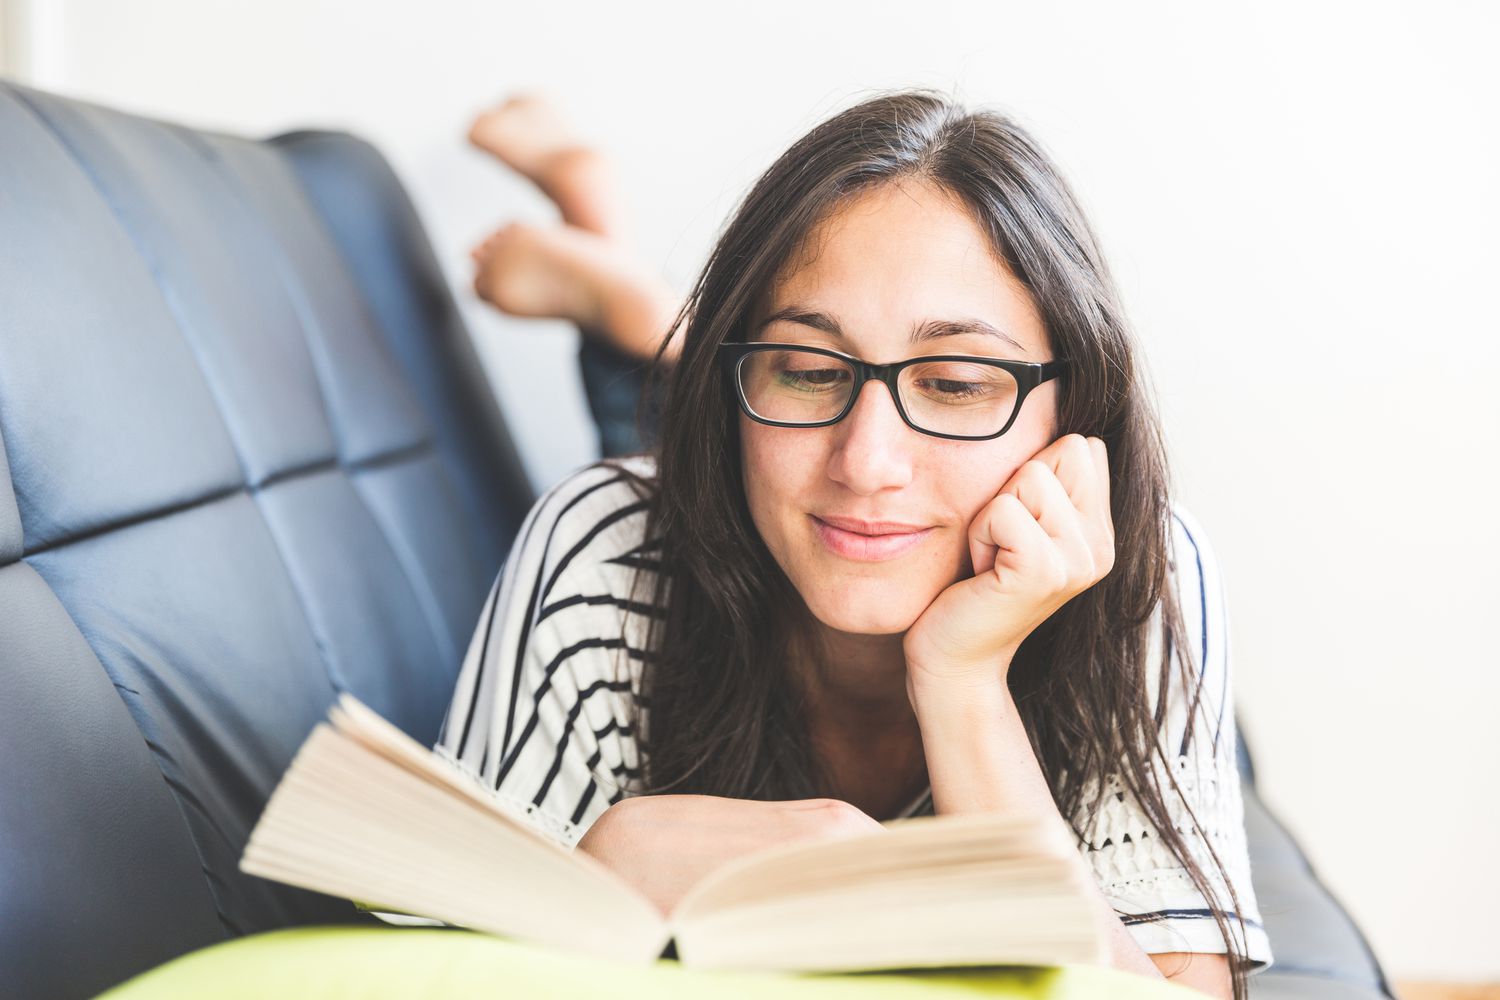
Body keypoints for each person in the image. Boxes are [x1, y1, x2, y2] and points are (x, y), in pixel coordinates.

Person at [445, 90, 1274, 999]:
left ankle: (629, 289)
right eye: (805, 369)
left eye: (955, 383)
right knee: (681, 458)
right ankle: (630, 282)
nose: (868, 461)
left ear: (1073, 412)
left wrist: (964, 683)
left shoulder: (1145, 569)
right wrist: (610, 857)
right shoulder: (605, 541)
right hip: (700, 496)